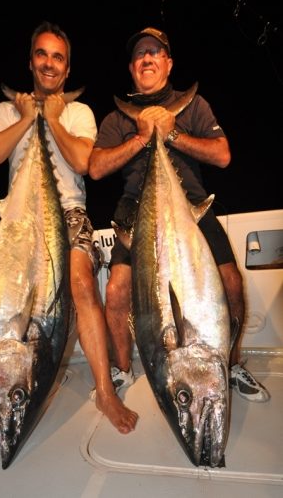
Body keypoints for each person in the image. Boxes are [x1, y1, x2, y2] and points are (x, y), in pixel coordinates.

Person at [0, 21, 138, 444]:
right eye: (42, 54)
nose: (49, 63)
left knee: (80, 282)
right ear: (31, 60)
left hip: (68, 213)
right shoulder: (6, 111)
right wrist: (26, 118)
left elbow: (81, 162)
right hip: (19, 220)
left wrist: (52, 119)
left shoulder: (78, 112)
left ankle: (106, 393)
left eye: (58, 56)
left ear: (67, 68)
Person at [88, 27, 270, 403]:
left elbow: (222, 155)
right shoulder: (117, 119)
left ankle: (230, 363)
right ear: (132, 67)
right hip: (134, 207)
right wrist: (142, 137)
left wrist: (170, 134)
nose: (147, 59)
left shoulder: (194, 105)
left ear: (168, 63)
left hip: (191, 204)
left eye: (155, 52)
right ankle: (123, 369)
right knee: (116, 289)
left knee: (232, 281)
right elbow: (95, 168)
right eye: (140, 55)